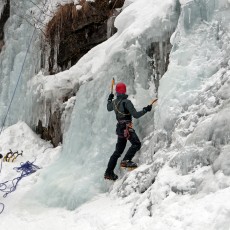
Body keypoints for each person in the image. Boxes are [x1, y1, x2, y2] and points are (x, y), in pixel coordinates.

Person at [104, 82, 153, 181]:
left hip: (120, 128)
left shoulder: (114, 103)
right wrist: (146, 110)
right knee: (136, 144)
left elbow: (108, 108)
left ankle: (108, 172)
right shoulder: (127, 102)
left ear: (117, 92)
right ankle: (126, 161)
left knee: (117, 152)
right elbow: (135, 115)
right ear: (125, 91)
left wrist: (109, 98)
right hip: (127, 127)